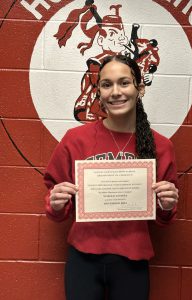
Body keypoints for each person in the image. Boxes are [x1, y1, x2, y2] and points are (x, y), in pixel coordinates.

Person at [44, 54, 179, 300]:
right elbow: (55, 208)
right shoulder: (75, 139)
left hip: (132, 260)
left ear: (140, 89)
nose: (115, 91)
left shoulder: (161, 146)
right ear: (99, 93)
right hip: (82, 257)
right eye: (107, 84)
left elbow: (164, 218)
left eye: (124, 83)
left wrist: (167, 206)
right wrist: (55, 203)